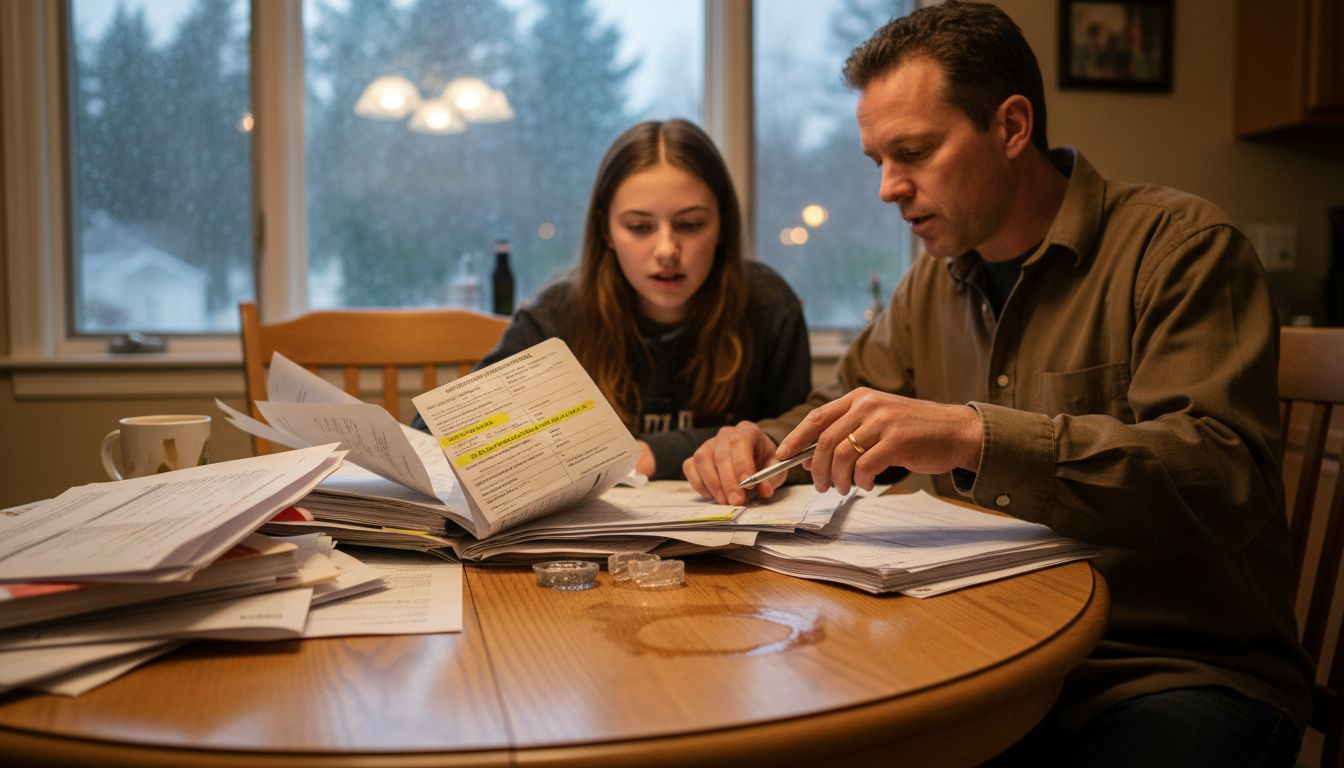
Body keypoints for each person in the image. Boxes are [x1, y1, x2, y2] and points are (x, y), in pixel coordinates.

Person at [683, 2, 1312, 765]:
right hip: (985, 651)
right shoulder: (933, 284)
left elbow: (1223, 472)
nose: (888, 189)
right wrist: (765, 441)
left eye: (913, 153)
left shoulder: (1181, 250)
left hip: (1168, 674)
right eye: (877, 160)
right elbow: (840, 405)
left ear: (1012, 127)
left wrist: (969, 434)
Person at [468, 118, 811, 480]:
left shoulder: (769, 308)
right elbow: (445, 436)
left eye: (691, 224)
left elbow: (794, 447)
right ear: (606, 231)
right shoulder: (554, 318)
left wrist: (650, 454)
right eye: (639, 227)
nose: (666, 250)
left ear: (722, 224)